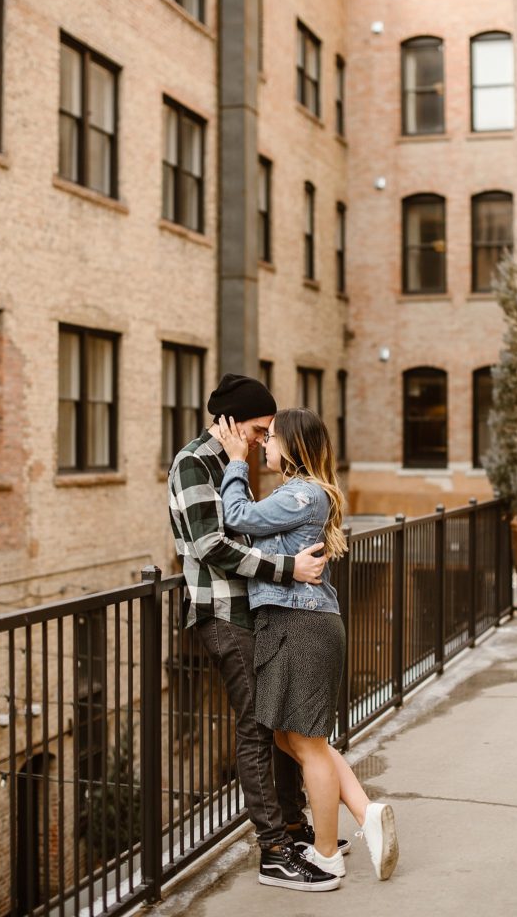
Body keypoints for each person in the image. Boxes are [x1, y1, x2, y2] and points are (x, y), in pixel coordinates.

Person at [168, 373, 341, 892]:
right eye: (260, 428)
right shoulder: (194, 464)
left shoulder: (236, 463)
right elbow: (212, 546)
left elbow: (260, 526)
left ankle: (292, 829)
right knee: (254, 728)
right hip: (223, 615)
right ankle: (273, 852)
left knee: (276, 721)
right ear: (228, 422)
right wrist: (288, 570)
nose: (267, 438)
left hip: (261, 614)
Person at [217, 407, 400, 882]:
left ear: (294, 446)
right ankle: (364, 812)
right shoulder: (303, 494)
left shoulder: (301, 494)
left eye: (271, 438)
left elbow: (236, 516)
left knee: (307, 743)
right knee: (289, 737)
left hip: (301, 624)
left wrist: (237, 461)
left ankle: (325, 854)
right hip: (298, 623)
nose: (264, 445)